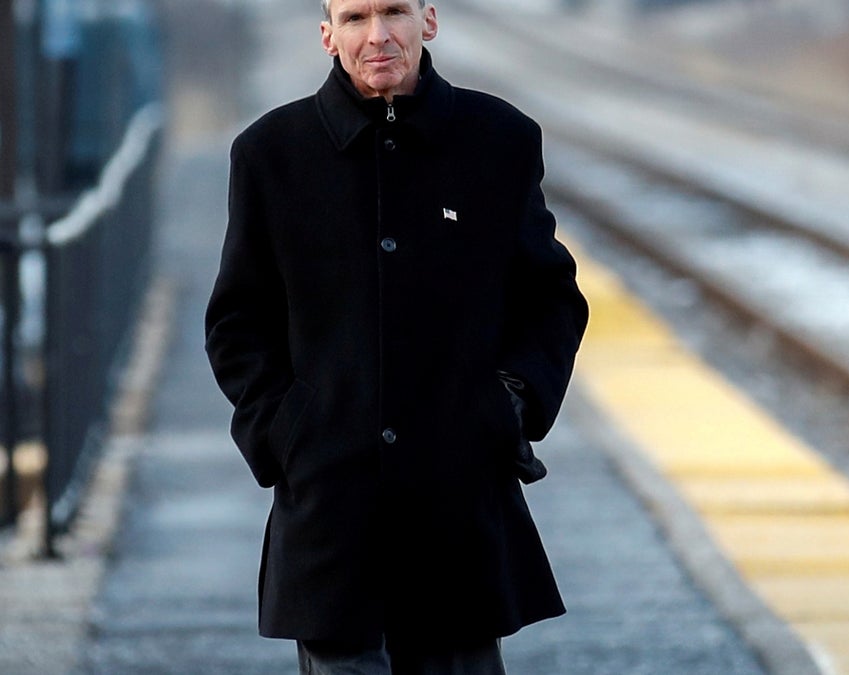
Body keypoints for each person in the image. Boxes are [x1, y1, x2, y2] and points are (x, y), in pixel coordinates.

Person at [203, 0, 588, 671]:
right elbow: (237, 324)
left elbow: (550, 298)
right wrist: (289, 433)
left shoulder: (500, 140)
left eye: (394, 13)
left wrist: (511, 404)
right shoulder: (270, 154)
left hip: (459, 512)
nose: (376, 34)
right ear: (328, 35)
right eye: (355, 18)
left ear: (428, 21)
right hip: (328, 519)